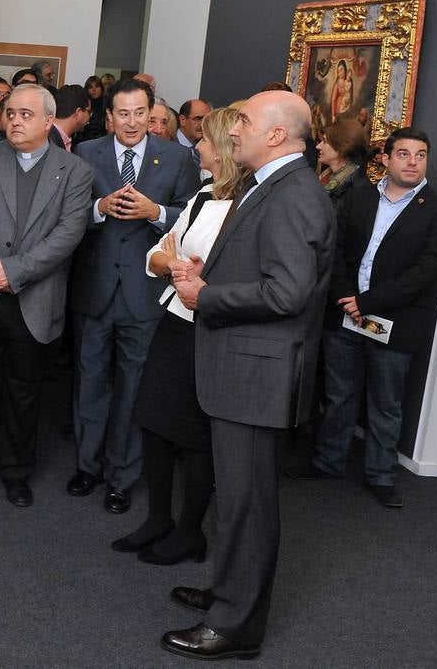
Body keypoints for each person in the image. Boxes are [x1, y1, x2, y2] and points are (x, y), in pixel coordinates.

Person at [160, 90, 335, 661]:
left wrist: (208, 294)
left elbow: (287, 292)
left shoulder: (294, 195)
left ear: (278, 134)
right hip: (241, 369)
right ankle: (230, 594)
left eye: (244, 123)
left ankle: (237, 627)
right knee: (234, 498)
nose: (232, 133)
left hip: (256, 376)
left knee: (248, 503)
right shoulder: (273, 187)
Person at [286, 128, 437, 508]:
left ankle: (380, 475)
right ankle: (328, 461)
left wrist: (365, 302)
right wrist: (348, 298)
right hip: (345, 316)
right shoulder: (361, 197)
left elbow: (424, 272)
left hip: (396, 323)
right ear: (386, 158)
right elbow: (338, 250)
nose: (413, 162)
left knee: (385, 402)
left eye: (420, 155)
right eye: (404, 154)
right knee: (340, 395)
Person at [0, 84, 93, 506]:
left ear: (49, 121)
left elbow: (68, 235)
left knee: (24, 390)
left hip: (34, 298)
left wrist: (15, 271)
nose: (14, 121)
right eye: (10, 113)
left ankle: (16, 471)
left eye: (26, 114)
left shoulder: (75, 171)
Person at [112, 105, 248, 564]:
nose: (198, 147)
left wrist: (181, 265)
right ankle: (158, 519)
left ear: (226, 149)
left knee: (193, 435)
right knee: (153, 420)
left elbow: (217, 269)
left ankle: (190, 529)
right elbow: (157, 254)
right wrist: (174, 266)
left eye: (205, 141)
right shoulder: (204, 194)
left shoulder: (247, 203)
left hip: (209, 330)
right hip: (173, 321)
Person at [68, 79, 200, 513]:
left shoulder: (180, 158)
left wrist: (156, 213)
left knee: (133, 388)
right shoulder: (87, 153)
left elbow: (192, 218)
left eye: (139, 113)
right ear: (109, 116)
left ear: (151, 114)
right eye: (122, 114)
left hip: (145, 294)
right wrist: (96, 210)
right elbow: (69, 215)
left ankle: (121, 477)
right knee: (89, 382)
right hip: (95, 289)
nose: (131, 122)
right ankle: (87, 465)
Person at [316, 116, 369, 210]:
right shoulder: (327, 175)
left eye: (324, 141)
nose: (318, 146)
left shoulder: (358, 188)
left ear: (342, 148)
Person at [48, 84, 90, 152]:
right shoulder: (49, 142)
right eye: (89, 111)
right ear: (78, 113)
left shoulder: (56, 136)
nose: (89, 117)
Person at [175, 99, 211, 171]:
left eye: (207, 119)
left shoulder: (209, 148)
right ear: (182, 120)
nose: (203, 124)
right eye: (198, 119)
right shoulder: (169, 143)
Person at [78, 75, 107, 145]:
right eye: (91, 87)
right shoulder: (82, 104)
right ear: (87, 89)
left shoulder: (107, 105)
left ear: (101, 89)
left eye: (97, 86)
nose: (94, 90)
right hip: (83, 141)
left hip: (101, 141)